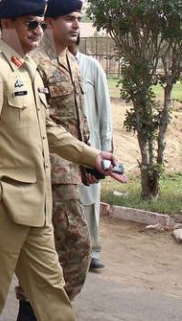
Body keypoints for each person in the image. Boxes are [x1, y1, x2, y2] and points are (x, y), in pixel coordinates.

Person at [0, 0, 127, 321]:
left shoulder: (27, 71)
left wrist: (93, 157)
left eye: (39, 23)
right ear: (6, 25)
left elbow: (48, 130)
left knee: (51, 291)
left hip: (35, 203)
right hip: (1, 205)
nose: (36, 30)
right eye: (29, 23)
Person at [14, 0, 94, 320]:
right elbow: (35, 123)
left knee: (54, 250)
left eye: (79, 18)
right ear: (49, 23)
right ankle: (41, 310)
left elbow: (78, 116)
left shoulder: (72, 61)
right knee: (76, 244)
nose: (76, 25)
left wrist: (88, 158)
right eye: (70, 19)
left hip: (72, 165)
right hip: (50, 169)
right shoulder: (36, 64)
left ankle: (32, 311)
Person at [73, 38, 113, 271]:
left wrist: (105, 148)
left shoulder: (91, 67)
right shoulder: (44, 66)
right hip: (59, 148)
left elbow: (104, 108)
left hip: (91, 147)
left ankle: (92, 250)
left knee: (89, 198)